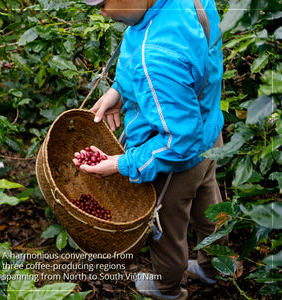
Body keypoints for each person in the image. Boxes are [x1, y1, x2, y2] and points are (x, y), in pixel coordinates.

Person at [78, 0, 228, 299]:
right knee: (209, 206)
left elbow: (178, 142)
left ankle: (167, 287)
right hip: (210, 137)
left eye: (103, 3)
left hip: (173, 163)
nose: (102, 12)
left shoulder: (156, 58)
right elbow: (193, 63)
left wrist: (122, 164)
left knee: (166, 230)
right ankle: (214, 269)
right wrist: (119, 89)